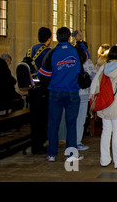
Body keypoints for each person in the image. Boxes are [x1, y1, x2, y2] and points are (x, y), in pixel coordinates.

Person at [38, 27, 82, 162]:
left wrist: (54, 80)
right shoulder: (76, 52)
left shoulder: (51, 53)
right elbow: (82, 64)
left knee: (53, 123)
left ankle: (51, 153)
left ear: (57, 38)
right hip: (72, 91)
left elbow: (43, 75)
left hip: (56, 91)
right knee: (71, 123)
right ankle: (72, 154)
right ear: (69, 37)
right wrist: (79, 41)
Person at [90, 45, 117, 169]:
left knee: (106, 132)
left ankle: (104, 160)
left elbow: (96, 84)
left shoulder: (103, 67)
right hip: (116, 105)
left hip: (104, 105)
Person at [26, 27, 52, 154]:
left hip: (32, 87)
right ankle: (40, 144)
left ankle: (34, 143)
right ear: (49, 39)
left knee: (34, 118)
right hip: (43, 89)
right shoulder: (48, 52)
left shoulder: (30, 50)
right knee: (42, 118)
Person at [75, 42, 96, 151]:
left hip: (72, 93)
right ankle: (77, 142)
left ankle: (71, 141)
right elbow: (94, 76)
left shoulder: (72, 60)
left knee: (72, 119)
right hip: (83, 94)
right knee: (80, 119)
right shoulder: (87, 62)